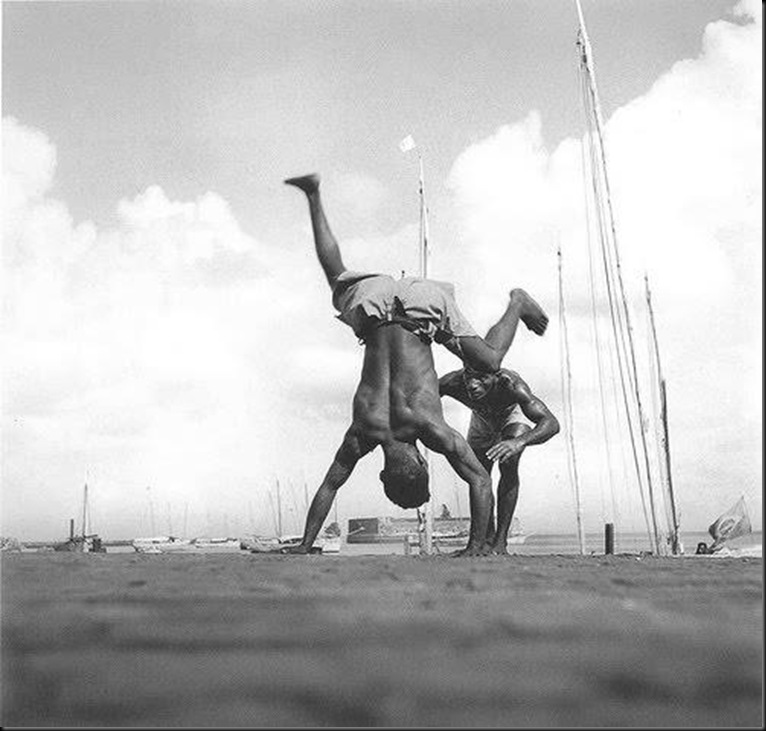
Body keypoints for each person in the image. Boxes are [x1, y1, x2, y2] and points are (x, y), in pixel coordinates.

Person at [282, 173, 549, 556]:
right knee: (336, 276)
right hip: (375, 304)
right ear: (383, 472)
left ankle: (517, 302)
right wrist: (305, 543)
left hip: (423, 309)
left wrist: (476, 546)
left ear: (422, 461)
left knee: (490, 361)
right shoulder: (364, 432)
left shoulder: (426, 428)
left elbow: (478, 480)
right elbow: (330, 485)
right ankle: (314, 194)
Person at [439, 366, 559, 554]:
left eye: (481, 379)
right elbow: (420, 398)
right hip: (482, 418)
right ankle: (484, 540)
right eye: (468, 378)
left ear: (496, 377)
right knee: (479, 475)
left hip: (512, 413)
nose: (472, 385)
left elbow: (551, 424)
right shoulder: (452, 382)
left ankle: (500, 541)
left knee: (508, 463)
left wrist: (518, 442)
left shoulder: (512, 385)